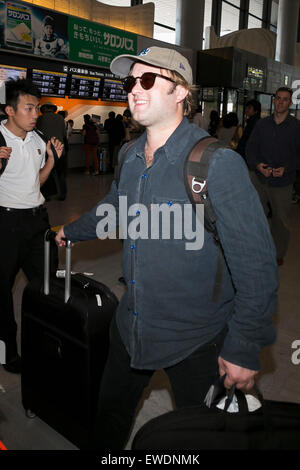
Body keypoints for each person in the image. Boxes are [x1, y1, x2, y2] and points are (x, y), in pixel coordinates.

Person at [55, 46, 278, 450]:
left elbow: (257, 266)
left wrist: (244, 346)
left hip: (196, 338)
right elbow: (115, 208)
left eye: (147, 79)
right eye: (129, 81)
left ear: (180, 92)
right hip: (132, 323)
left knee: (201, 438)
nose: (133, 90)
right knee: (108, 417)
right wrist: (72, 230)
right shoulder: (129, 155)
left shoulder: (215, 164)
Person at [0, 78, 63, 374]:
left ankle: (46, 346)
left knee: (49, 287)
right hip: (6, 223)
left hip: (38, 222)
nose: (36, 113)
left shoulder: (38, 139)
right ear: (9, 110)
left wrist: (51, 161)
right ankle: (9, 353)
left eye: (37, 107)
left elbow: (37, 181)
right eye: (29, 108)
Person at [246, 86, 300, 266]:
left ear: (290, 103)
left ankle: (278, 254)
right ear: (273, 100)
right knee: (255, 217)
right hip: (260, 178)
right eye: (278, 98)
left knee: (281, 221)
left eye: (285, 99)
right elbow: (250, 149)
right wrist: (257, 166)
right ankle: (255, 250)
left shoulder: (295, 127)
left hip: (283, 182)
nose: (280, 102)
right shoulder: (262, 124)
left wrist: (287, 168)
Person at [36, 102, 67, 200]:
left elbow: (37, 133)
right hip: (59, 149)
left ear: (44, 109)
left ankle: (47, 195)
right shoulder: (60, 118)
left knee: (47, 172)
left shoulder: (40, 119)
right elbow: (63, 134)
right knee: (60, 173)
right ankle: (63, 194)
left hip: (46, 149)